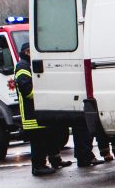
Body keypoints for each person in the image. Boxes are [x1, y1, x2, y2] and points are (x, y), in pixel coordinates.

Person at [15, 44, 72, 176]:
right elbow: (26, 90)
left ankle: (55, 160)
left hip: (40, 110)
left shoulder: (29, 64)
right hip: (31, 113)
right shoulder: (22, 66)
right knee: (38, 141)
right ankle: (38, 166)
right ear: (27, 52)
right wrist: (44, 94)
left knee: (51, 136)